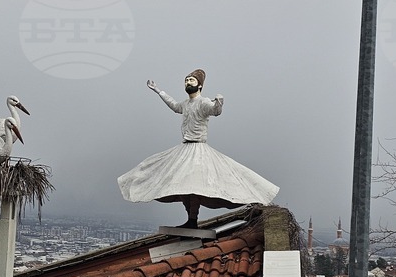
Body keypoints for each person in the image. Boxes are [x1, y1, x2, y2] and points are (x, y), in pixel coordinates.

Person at [117, 69, 279, 228]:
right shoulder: (186, 104)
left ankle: (193, 219)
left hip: (198, 150)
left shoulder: (203, 102)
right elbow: (174, 106)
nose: (188, 82)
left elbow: (214, 111)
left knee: (193, 186)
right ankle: (191, 219)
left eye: (191, 80)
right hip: (185, 149)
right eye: (186, 80)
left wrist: (219, 103)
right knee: (181, 185)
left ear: (199, 86)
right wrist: (159, 91)